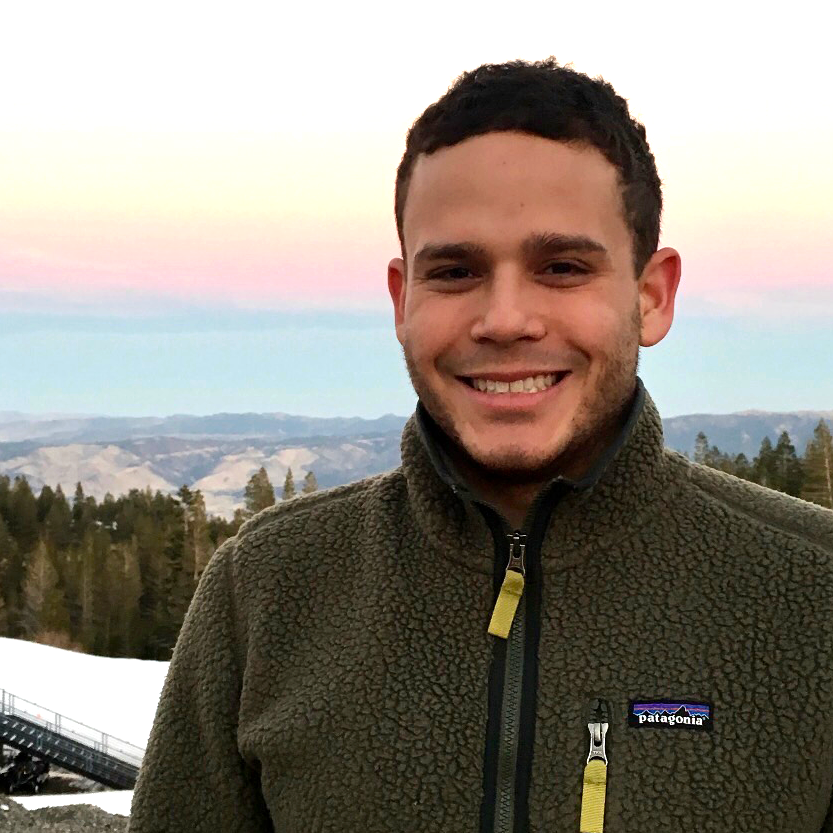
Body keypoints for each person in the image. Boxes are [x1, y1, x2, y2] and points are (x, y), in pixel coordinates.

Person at [128, 58, 833, 833]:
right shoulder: (266, 589)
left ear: (650, 295)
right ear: (402, 299)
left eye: (560, 267)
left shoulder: (810, 593)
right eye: (455, 270)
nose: (503, 319)